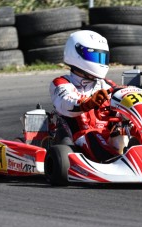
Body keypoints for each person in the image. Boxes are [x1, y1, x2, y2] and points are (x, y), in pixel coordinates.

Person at [49, 30, 127, 163]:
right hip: (78, 136)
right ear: (77, 54)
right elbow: (66, 104)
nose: (100, 63)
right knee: (93, 136)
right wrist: (89, 103)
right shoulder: (62, 83)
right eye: (96, 57)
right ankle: (114, 162)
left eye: (103, 58)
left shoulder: (107, 84)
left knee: (130, 132)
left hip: (108, 135)